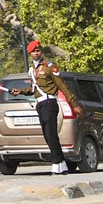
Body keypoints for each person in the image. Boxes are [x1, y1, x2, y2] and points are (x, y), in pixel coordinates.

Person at [27, 38, 82, 174]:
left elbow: (62, 86)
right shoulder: (32, 70)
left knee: (51, 134)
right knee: (48, 135)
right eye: (34, 51)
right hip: (40, 104)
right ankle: (62, 163)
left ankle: (56, 163)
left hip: (49, 102)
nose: (36, 53)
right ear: (30, 54)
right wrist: (20, 91)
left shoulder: (49, 67)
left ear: (41, 52)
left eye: (38, 50)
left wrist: (74, 104)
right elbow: (34, 88)